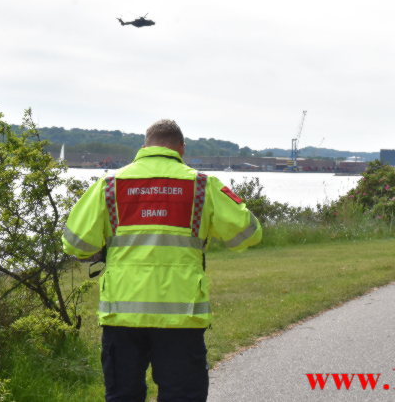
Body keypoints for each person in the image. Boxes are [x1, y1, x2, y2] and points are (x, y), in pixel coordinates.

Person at [62, 119, 262, 401]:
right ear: (181, 149)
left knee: (123, 396)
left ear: (144, 146)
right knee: (182, 395)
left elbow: (75, 242)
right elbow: (249, 234)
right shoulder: (202, 186)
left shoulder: (110, 184)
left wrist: (96, 250)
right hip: (181, 315)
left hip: (122, 312)